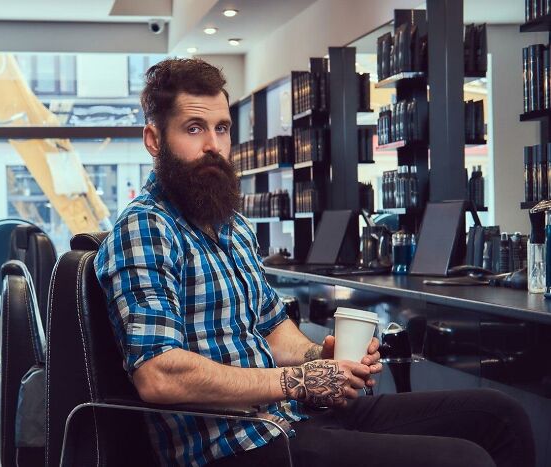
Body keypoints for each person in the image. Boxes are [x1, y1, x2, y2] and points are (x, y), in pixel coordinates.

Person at [94, 58, 535, 467]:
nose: (214, 146)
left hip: (294, 417)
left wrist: (321, 358)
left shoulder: (230, 226)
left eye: (222, 128)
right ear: (154, 140)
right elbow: (159, 374)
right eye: (194, 129)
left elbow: (272, 328)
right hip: (237, 444)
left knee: (500, 415)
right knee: (463, 460)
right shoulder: (146, 229)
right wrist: (298, 382)